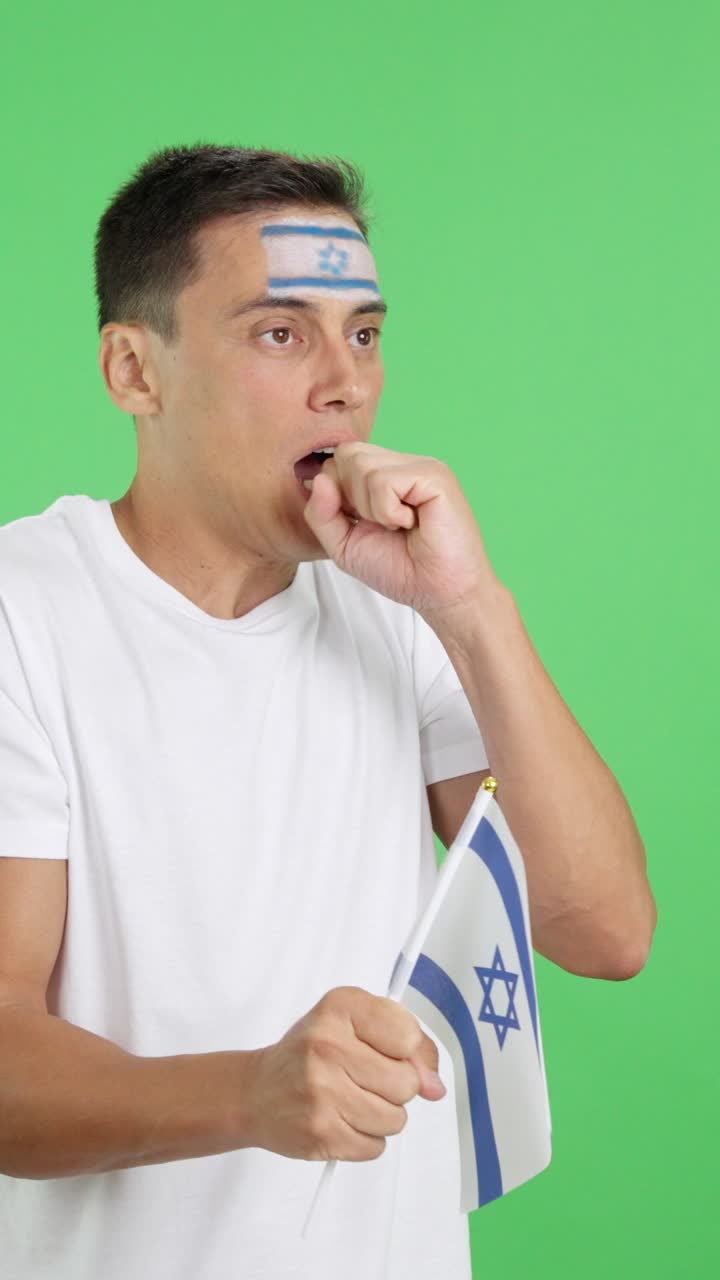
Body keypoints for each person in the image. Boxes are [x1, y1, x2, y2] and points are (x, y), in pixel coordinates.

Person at [0, 143, 494, 1279]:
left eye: (363, 331)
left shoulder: (397, 603)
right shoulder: (23, 611)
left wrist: (472, 606)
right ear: (135, 370)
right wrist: (251, 1090)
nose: (346, 381)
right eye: (282, 332)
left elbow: (602, 929)